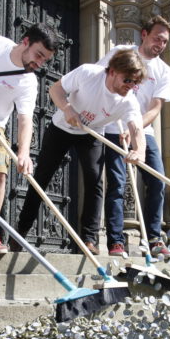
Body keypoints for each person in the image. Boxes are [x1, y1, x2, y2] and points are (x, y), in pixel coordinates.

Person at [11, 50, 146, 254]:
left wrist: (139, 151)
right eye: (127, 79)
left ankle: (89, 240)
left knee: (94, 182)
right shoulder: (88, 74)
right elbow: (55, 89)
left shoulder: (128, 100)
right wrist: (67, 108)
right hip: (61, 128)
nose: (130, 86)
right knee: (41, 178)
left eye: (135, 83)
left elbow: (136, 128)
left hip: (91, 134)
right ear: (112, 72)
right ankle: (20, 232)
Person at [0, 25, 59, 254]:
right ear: (25, 41)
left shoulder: (28, 81)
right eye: (39, 55)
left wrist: (23, 153)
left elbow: (25, 119)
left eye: (45, 60)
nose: (40, 63)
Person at [97, 15, 170, 258]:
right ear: (144, 34)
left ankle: (153, 238)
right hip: (112, 127)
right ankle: (116, 242)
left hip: (142, 130)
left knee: (157, 181)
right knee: (117, 184)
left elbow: (155, 107)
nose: (160, 45)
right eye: (157, 38)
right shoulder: (121, 51)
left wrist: (134, 128)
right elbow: (101, 79)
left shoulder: (163, 70)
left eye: (164, 42)